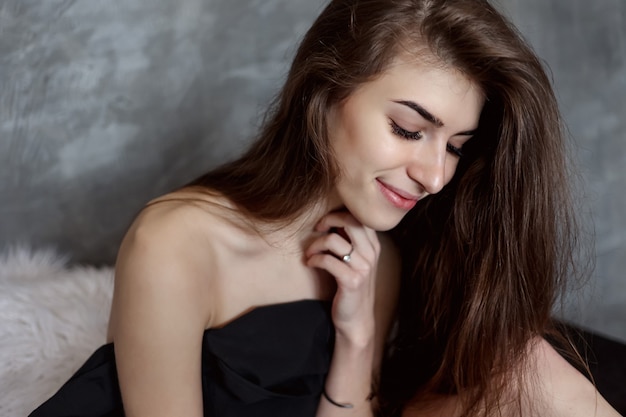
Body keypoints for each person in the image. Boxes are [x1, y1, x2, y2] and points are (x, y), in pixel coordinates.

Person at [30, 0, 621, 416]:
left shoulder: (375, 256)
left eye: (457, 148)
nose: (436, 176)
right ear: (325, 92)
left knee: (530, 366)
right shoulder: (176, 245)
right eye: (408, 128)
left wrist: (357, 335)